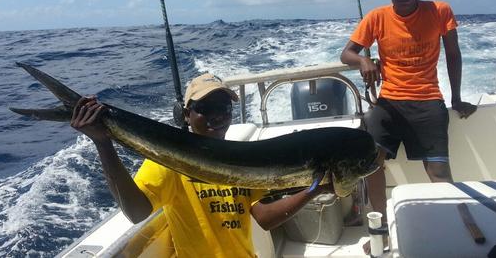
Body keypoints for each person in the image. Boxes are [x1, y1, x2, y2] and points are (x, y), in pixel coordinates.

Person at [70, 73, 333, 258]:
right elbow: (136, 213)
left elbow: (262, 217)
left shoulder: (241, 159)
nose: (218, 115)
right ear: (186, 114)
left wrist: (316, 189)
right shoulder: (168, 162)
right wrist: (104, 145)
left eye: (224, 108)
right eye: (206, 108)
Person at [340, 0, 477, 253]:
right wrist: (364, 61)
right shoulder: (376, 17)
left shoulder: (440, 11)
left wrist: (456, 98)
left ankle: (450, 225)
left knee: (439, 171)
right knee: (370, 163)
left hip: (428, 99)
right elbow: (346, 53)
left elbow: (453, 54)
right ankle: (382, 229)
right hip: (388, 101)